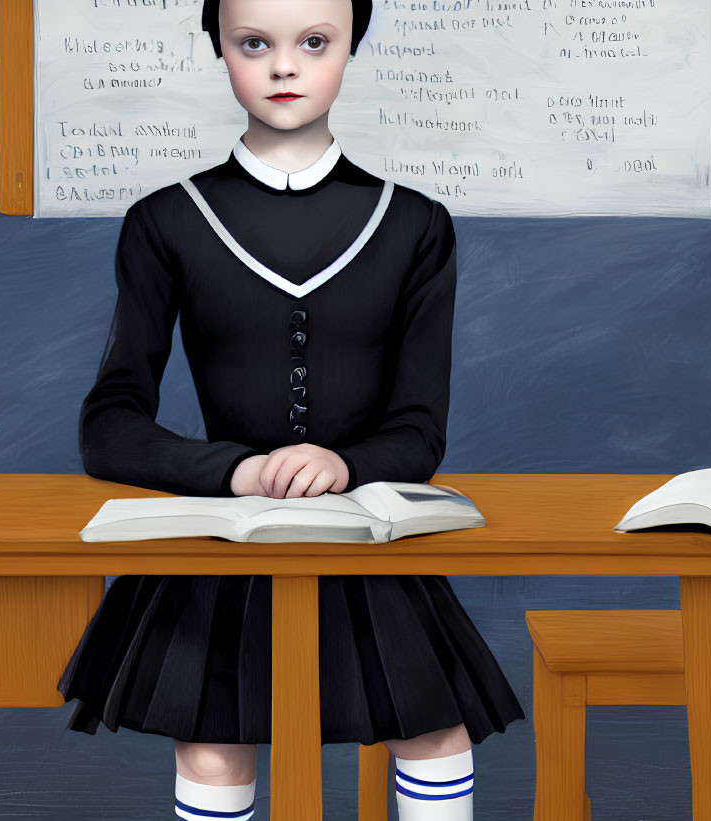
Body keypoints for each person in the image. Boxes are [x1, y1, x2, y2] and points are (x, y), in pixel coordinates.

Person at [56, 0, 524, 818]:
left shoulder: (414, 224)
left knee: (435, 733)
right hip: (223, 542)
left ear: (350, 48)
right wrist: (231, 469)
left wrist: (345, 463)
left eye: (313, 42)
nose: (283, 67)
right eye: (253, 43)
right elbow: (110, 421)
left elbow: (420, 427)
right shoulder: (166, 220)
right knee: (210, 742)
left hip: (365, 536)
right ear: (221, 51)